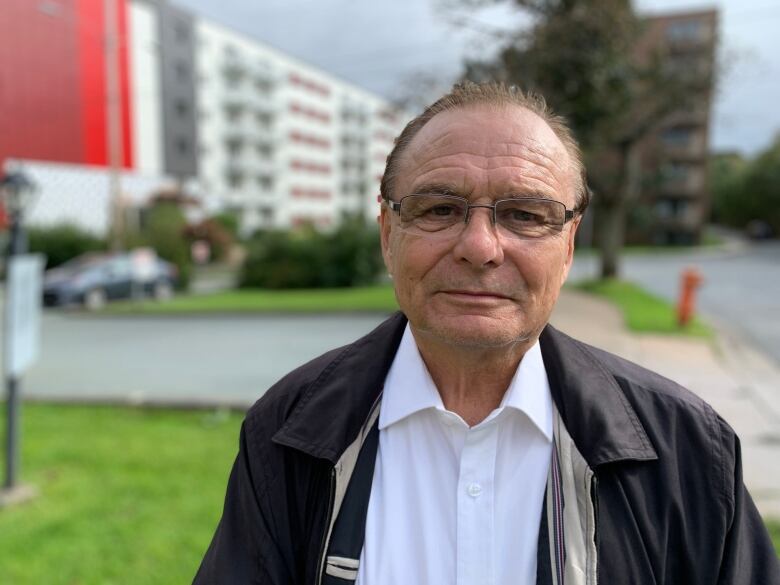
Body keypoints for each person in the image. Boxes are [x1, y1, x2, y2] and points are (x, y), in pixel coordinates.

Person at [194, 82, 780, 585]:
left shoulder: (688, 452)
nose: (479, 247)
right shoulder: (287, 432)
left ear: (569, 247)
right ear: (386, 234)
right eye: (440, 209)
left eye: (525, 215)